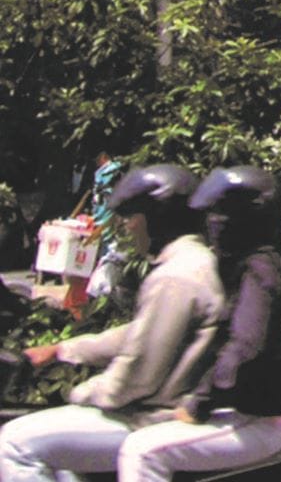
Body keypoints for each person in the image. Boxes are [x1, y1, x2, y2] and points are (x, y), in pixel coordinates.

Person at [0, 165, 227, 482]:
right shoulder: (194, 261)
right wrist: (63, 349)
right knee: (59, 460)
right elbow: (141, 334)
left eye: (132, 216)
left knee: (12, 445)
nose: (126, 226)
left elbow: (136, 374)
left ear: (156, 220)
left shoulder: (176, 278)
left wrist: (84, 392)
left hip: (151, 418)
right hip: (158, 411)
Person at [117, 168, 281, 482]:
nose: (214, 224)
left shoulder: (259, 269)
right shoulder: (265, 263)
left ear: (245, 218)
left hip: (273, 418)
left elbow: (245, 346)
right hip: (269, 413)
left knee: (142, 451)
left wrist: (199, 403)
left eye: (222, 214)